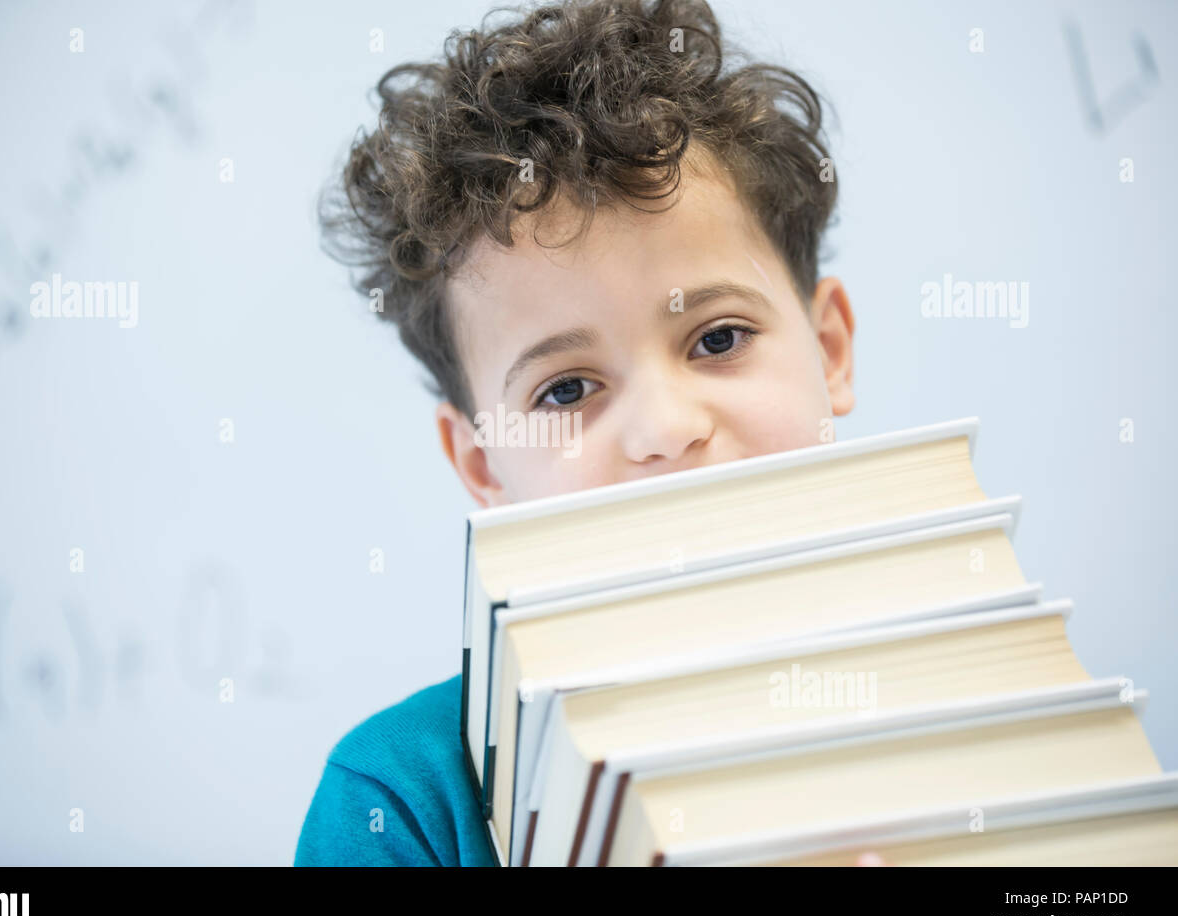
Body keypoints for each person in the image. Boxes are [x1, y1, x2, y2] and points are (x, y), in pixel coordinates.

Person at [297, 0, 869, 866]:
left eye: (718, 339)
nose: (666, 430)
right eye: (567, 388)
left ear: (828, 351)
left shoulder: (979, 689)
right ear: (483, 461)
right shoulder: (403, 800)